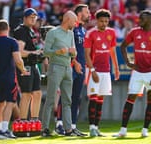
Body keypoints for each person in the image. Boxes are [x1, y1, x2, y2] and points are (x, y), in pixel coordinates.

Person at [112, 10, 151, 138]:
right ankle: (123, 130)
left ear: (149, 20)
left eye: (142, 18)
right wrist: (128, 62)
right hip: (137, 72)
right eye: (139, 17)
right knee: (130, 99)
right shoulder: (135, 32)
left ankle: (145, 130)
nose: (139, 19)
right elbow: (123, 46)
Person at [0, 19, 28, 139]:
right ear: (8, 28)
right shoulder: (12, 42)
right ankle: (4, 130)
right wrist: (23, 70)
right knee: (10, 103)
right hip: (9, 77)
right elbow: (18, 60)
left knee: (0, 103)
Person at [54, 4, 90, 136]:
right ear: (79, 14)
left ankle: (72, 126)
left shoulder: (83, 30)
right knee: (65, 96)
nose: (89, 14)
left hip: (81, 68)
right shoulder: (70, 29)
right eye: (87, 12)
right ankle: (59, 124)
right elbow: (64, 47)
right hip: (69, 67)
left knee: (76, 97)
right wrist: (74, 62)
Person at [41, 10, 78, 137]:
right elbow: (46, 52)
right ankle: (45, 128)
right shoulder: (53, 33)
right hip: (55, 67)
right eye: (74, 21)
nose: (75, 23)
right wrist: (58, 51)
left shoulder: (71, 34)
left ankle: (68, 129)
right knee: (51, 99)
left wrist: (73, 52)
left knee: (67, 100)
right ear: (67, 19)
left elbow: (75, 53)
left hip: (68, 68)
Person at [84, 8, 120, 137]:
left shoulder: (111, 32)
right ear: (96, 21)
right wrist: (92, 70)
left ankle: (97, 127)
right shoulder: (90, 33)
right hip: (93, 70)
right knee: (93, 98)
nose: (104, 24)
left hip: (106, 70)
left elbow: (112, 51)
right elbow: (86, 54)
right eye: (101, 21)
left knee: (100, 99)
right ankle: (91, 127)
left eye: (106, 21)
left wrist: (116, 68)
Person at [13, 8, 43, 122]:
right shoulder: (21, 30)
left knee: (37, 93)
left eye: (35, 17)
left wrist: (39, 53)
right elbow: (19, 52)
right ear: (24, 18)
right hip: (24, 65)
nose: (33, 18)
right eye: (31, 16)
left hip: (33, 65)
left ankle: (34, 119)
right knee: (26, 94)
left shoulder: (31, 30)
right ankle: (23, 120)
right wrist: (34, 53)